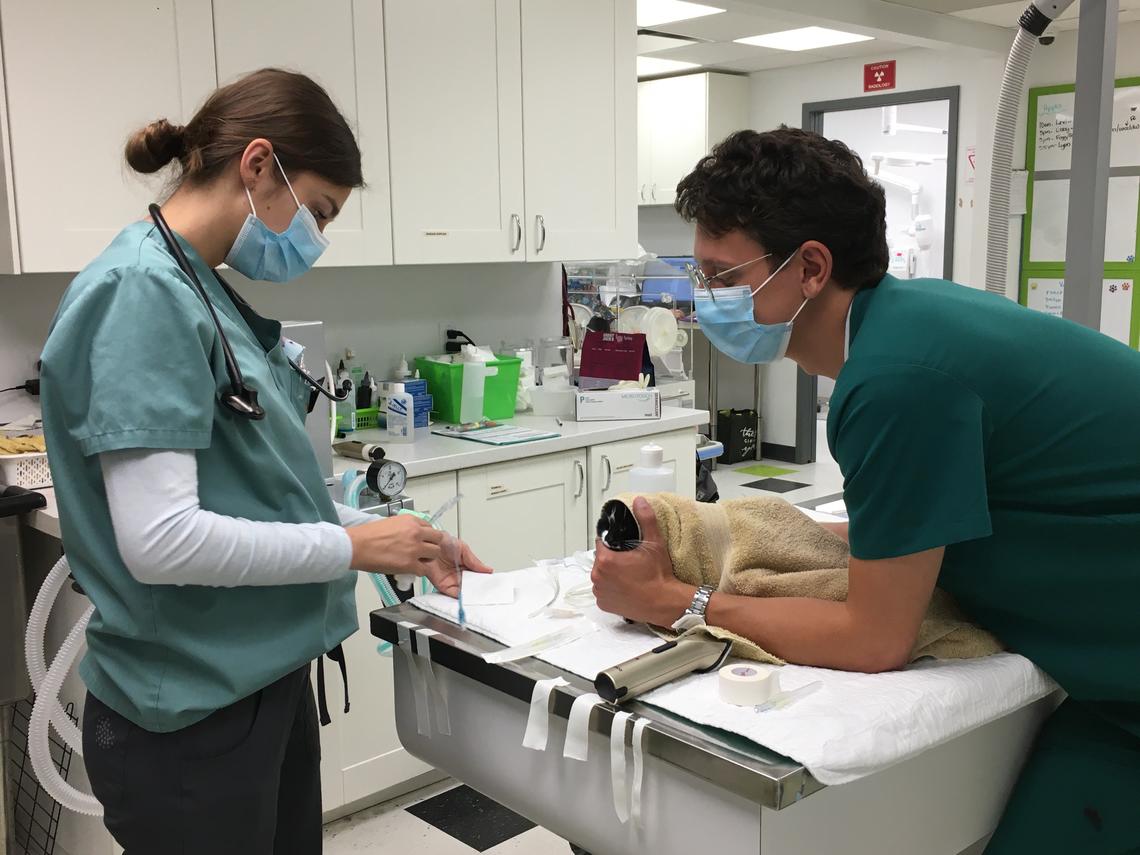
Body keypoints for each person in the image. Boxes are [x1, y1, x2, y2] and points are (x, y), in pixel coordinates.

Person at [591, 127, 1140, 854]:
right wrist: (747, 534)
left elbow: (875, 638)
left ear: (810, 267)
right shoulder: (911, 325)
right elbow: (927, 527)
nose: (704, 301)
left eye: (722, 276)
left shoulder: (894, 381)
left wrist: (674, 603)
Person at [40, 68, 491, 854]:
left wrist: (397, 534)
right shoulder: (142, 293)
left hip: (252, 684)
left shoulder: (201, 290)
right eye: (316, 211)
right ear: (257, 166)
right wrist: (354, 547)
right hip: (188, 716)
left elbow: (257, 491)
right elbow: (162, 540)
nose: (313, 237)